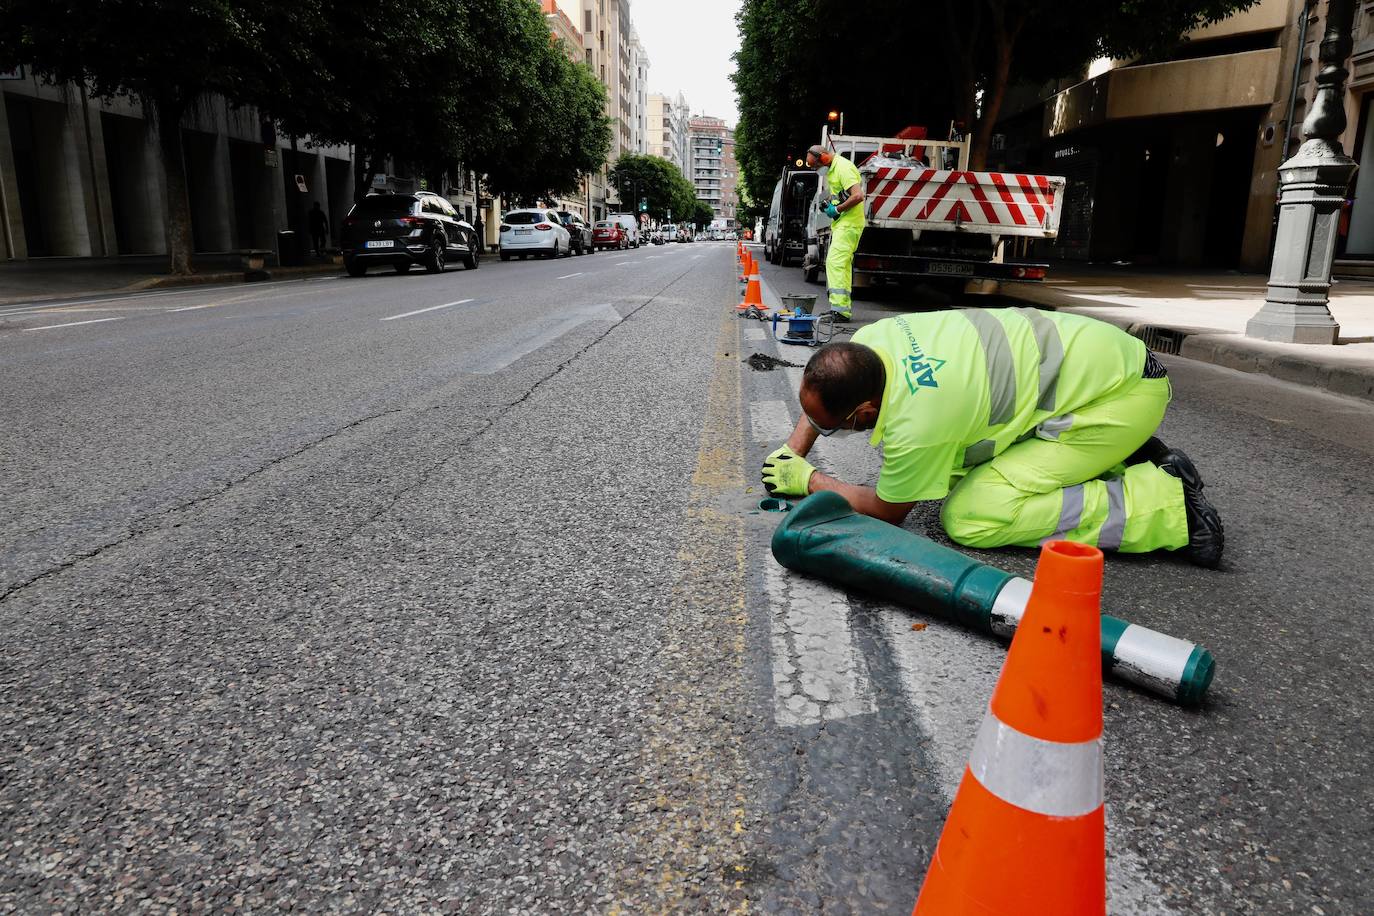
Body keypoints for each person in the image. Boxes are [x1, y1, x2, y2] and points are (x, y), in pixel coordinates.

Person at [760, 307, 1225, 567]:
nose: (822, 431)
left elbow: (888, 510)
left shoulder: (921, 417)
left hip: (1117, 398)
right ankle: (1124, 455)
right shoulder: (873, 342)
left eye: (835, 427)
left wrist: (809, 479)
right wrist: (789, 453)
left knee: (971, 514)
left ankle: (1168, 507)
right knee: (961, 466)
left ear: (866, 412)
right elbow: (823, 393)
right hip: (1106, 364)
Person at [806, 143, 866, 321]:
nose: (816, 170)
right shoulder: (833, 170)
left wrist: (838, 209)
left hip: (849, 224)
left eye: (816, 166)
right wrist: (832, 205)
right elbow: (842, 196)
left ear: (823, 158)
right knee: (842, 266)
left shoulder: (843, 168)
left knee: (835, 263)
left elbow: (858, 196)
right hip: (844, 224)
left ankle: (839, 311)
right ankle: (841, 310)